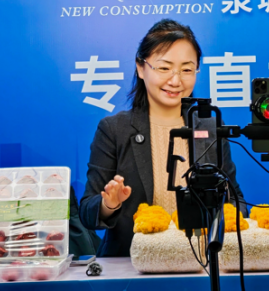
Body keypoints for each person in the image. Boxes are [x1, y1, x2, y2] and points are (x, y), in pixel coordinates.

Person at [79, 19, 246, 257]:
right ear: (141, 67)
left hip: (202, 263)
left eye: (187, 70)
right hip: (132, 265)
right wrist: (109, 204)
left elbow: (236, 200)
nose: (176, 81)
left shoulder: (209, 128)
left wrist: (228, 209)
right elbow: (87, 212)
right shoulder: (114, 129)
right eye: (164, 68)